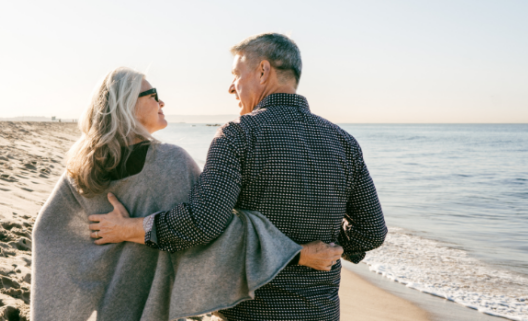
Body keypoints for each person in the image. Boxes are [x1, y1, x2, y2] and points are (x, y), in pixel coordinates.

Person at [89, 33, 387, 320]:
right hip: (321, 311)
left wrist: (129, 228)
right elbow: (372, 231)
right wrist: (332, 248)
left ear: (262, 71)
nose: (232, 87)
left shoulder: (238, 136)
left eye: (236, 74)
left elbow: (201, 224)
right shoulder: (344, 142)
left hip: (250, 312)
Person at [31, 66, 343, 321]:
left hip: (111, 309)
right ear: (126, 104)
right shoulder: (169, 162)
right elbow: (214, 231)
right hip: (153, 310)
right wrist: (299, 253)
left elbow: (47, 233)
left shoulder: (83, 167)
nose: (162, 102)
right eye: (153, 95)